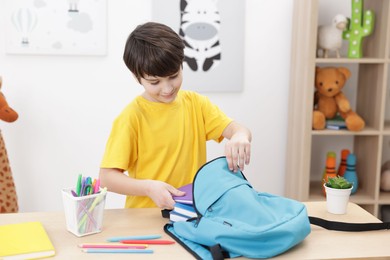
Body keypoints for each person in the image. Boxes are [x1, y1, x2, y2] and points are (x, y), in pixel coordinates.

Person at [99, 22, 252, 209]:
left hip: (190, 214)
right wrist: (148, 188)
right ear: (136, 76)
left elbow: (238, 130)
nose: (167, 88)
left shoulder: (196, 104)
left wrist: (240, 136)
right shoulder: (132, 117)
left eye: (173, 76)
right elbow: (107, 178)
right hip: (145, 217)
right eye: (155, 82)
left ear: (181, 64)